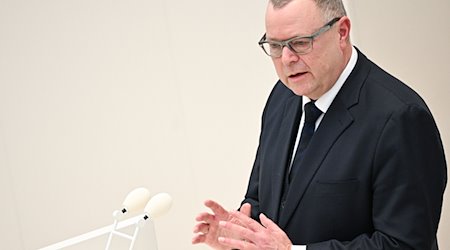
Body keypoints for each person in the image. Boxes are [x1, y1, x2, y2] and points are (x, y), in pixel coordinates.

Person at [192, 0, 447, 249]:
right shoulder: (282, 96)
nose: (287, 59)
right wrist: (240, 234)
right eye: (276, 46)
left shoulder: (401, 118)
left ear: (342, 33)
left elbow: (404, 244)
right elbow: (263, 199)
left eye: (300, 43)